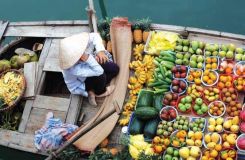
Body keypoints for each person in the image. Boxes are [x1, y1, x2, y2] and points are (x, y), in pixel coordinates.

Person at [59, 32, 119, 106]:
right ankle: (99, 92)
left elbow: (95, 35)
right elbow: (99, 71)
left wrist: (100, 51)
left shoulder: (78, 44)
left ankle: (94, 89)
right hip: (82, 83)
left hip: (89, 67)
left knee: (114, 68)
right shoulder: (72, 69)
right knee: (101, 76)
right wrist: (88, 58)